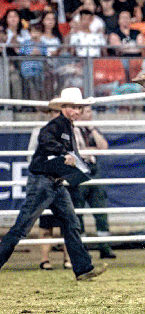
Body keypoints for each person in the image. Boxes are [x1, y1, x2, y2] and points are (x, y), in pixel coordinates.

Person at [0, 88, 108, 280]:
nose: (77, 111)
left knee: (70, 223)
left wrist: (67, 161)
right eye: (74, 107)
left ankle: (83, 269)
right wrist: (64, 153)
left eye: (79, 108)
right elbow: (45, 139)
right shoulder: (58, 126)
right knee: (24, 227)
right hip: (44, 181)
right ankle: (82, 268)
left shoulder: (65, 126)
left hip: (53, 183)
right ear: (64, 107)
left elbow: (48, 142)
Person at [29, 103, 72, 271]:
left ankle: (69, 258)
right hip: (47, 179)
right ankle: (45, 259)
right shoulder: (41, 130)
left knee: (68, 221)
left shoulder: (69, 129)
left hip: (64, 180)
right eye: (54, 111)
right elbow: (32, 156)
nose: (57, 114)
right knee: (45, 222)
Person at [71, 106, 116, 259]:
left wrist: (93, 130)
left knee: (101, 211)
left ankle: (105, 247)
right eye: (88, 112)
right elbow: (74, 151)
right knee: (78, 213)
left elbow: (103, 147)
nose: (91, 114)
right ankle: (82, 250)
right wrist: (91, 149)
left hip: (94, 172)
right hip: (78, 173)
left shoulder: (92, 129)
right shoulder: (72, 129)